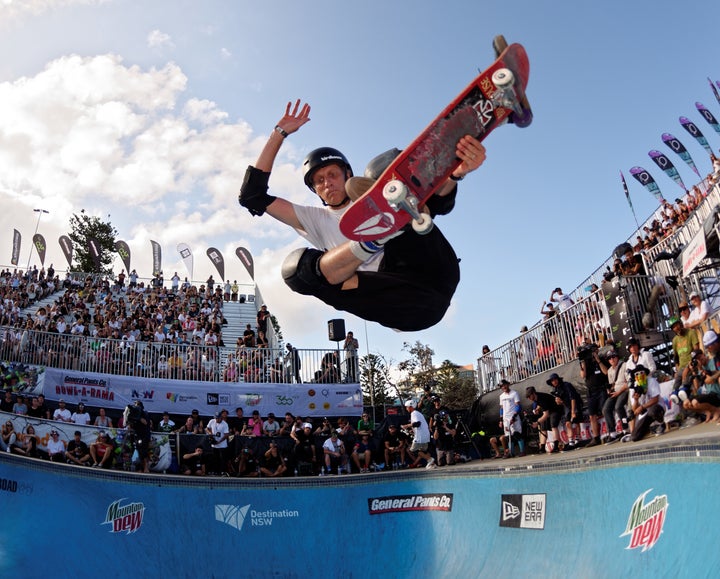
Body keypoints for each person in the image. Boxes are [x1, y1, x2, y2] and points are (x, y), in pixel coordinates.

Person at [238, 99, 486, 332]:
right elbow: (252, 195)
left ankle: (401, 213)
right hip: (407, 304)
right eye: (319, 181)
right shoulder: (311, 218)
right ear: (314, 190)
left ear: (347, 174)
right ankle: (374, 237)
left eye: (333, 175)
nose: (327, 184)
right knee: (296, 270)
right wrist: (278, 133)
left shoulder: (367, 188)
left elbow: (438, 207)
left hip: (433, 266)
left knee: (381, 172)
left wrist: (456, 174)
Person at [578, 344, 609, 447]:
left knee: (605, 410)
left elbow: (606, 372)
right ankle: (596, 438)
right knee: (592, 416)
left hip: (601, 389)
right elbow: (583, 375)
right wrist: (583, 362)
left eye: (593, 350)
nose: (592, 353)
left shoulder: (602, 359)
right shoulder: (586, 362)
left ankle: (610, 433)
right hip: (591, 392)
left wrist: (597, 360)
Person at [547, 372, 583, 450]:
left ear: (558, 379)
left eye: (555, 379)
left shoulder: (567, 385)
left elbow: (573, 398)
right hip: (566, 406)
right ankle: (571, 442)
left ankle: (577, 441)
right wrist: (559, 402)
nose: (554, 382)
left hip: (575, 404)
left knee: (576, 421)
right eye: (552, 381)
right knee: (567, 423)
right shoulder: (555, 389)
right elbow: (561, 402)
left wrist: (573, 411)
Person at [602, 350, 630, 443]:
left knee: (618, 407)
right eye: (609, 358)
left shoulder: (624, 365)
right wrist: (609, 390)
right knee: (605, 409)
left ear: (617, 357)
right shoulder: (609, 370)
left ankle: (626, 430)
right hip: (615, 392)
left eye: (613, 357)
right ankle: (613, 433)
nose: (612, 359)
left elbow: (628, 382)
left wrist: (618, 392)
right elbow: (612, 384)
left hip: (624, 390)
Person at [670, 315, 699, 403]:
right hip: (681, 367)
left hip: (691, 365)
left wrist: (688, 366)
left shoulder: (691, 332)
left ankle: (696, 407)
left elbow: (696, 350)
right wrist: (677, 369)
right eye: (674, 327)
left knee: (683, 390)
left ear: (680, 323)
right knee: (674, 393)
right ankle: (688, 412)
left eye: (677, 325)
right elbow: (675, 357)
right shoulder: (675, 340)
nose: (676, 328)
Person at [525, 386, 562, 453]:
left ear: (533, 394)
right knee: (543, 427)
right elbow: (541, 405)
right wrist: (538, 409)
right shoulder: (537, 397)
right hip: (548, 410)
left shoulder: (541, 398)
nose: (529, 398)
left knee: (553, 425)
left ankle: (556, 445)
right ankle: (542, 447)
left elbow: (546, 414)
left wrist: (537, 422)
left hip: (555, 409)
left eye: (529, 396)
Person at [492, 380, 524, 458]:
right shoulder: (501, 396)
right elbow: (501, 408)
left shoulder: (514, 393)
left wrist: (514, 416)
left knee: (517, 434)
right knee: (508, 436)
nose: (503, 387)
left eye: (504, 385)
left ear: (508, 384)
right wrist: (500, 420)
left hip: (514, 418)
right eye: (502, 386)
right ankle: (511, 452)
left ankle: (522, 451)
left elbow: (518, 406)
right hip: (506, 419)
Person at [402, 400, 435, 469]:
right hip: (425, 436)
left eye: (407, 407)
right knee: (422, 451)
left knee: (412, 451)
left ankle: (430, 460)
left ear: (411, 407)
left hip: (420, 437)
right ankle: (432, 464)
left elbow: (418, 423)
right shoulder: (418, 413)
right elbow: (419, 425)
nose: (406, 408)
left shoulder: (414, 413)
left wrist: (407, 426)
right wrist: (412, 430)